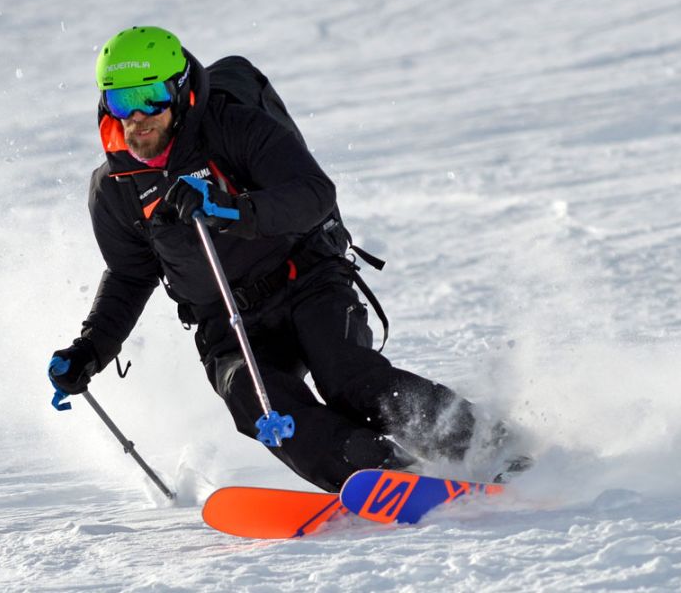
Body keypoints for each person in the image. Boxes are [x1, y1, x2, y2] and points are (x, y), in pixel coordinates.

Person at [48, 26, 515, 493]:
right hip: (226, 324)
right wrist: (90, 351)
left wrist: (231, 209)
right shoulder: (114, 188)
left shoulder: (233, 127)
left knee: (348, 379)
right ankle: (386, 474)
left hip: (305, 279)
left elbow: (313, 193)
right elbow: (130, 277)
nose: (136, 117)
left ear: (179, 89)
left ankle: (489, 447)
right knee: (261, 402)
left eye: (149, 96)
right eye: (120, 102)